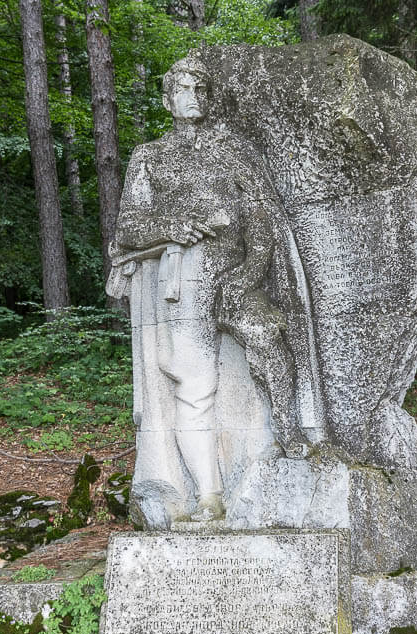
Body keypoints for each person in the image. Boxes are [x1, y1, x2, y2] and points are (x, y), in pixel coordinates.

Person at [110, 57, 305, 523]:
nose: (193, 94)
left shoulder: (233, 150)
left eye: (200, 87)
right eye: (183, 87)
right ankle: (209, 494)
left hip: (236, 277)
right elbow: (128, 228)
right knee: (194, 387)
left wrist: (252, 271)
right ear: (166, 98)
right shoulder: (149, 156)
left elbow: (261, 218)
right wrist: (171, 227)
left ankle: (297, 441)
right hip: (184, 281)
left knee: (271, 342)